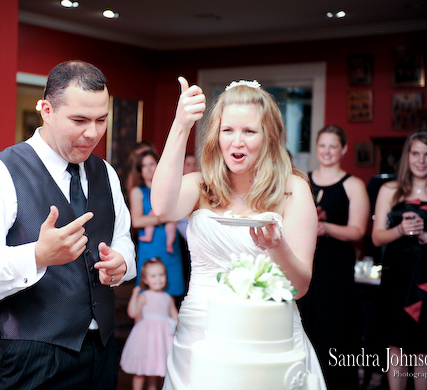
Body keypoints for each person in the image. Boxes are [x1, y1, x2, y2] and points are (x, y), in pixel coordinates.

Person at [0, 61, 136, 390]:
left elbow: (123, 240)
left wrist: (122, 263)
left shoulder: (106, 173)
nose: (93, 133)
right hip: (32, 357)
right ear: (46, 110)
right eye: (79, 120)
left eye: (101, 120)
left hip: (102, 350)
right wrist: (36, 256)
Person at [151, 77, 326, 390]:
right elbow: (162, 209)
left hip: (269, 339)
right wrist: (180, 125)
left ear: (268, 136)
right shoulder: (200, 185)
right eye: (228, 130)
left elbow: (299, 287)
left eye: (249, 131)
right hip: (199, 335)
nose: (237, 141)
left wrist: (278, 247)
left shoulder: (293, 190)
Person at [372, 130, 427, 390]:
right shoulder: (389, 190)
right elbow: (376, 238)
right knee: (396, 342)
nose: (421, 160)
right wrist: (400, 230)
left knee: (425, 344)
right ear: (407, 156)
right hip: (397, 274)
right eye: (416, 153)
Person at [296, 125, 369, 389]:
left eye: (333, 146)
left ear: (344, 149)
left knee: (334, 330)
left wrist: (326, 227)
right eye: (322, 145)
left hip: (336, 268)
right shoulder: (302, 180)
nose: (326, 151)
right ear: (316, 147)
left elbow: (358, 230)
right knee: (305, 327)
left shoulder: (353, 185)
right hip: (306, 264)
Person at [130, 149, 185, 298]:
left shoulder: (170, 188)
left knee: (172, 292)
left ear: (158, 165)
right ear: (140, 170)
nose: (148, 169)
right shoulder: (137, 191)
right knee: (148, 293)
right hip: (150, 247)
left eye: (152, 164)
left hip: (170, 247)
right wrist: (164, 218)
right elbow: (137, 220)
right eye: (144, 166)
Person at [120, 257, 179, 390]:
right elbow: (133, 313)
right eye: (153, 276)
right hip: (146, 338)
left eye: (161, 275)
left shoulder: (168, 298)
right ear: (145, 280)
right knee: (141, 370)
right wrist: (135, 295)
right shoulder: (144, 295)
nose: (158, 279)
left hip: (162, 338)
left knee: (155, 373)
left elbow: (175, 316)